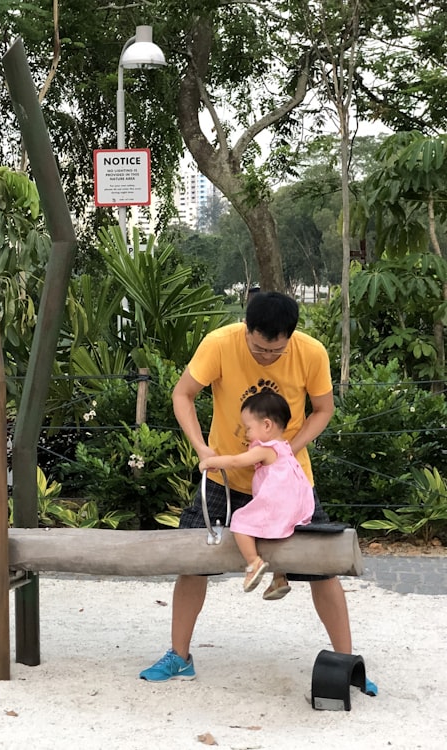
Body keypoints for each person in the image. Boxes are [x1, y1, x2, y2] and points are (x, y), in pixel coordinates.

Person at [138, 291, 377, 696]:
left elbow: (323, 408)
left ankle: (346, 660)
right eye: (259, 348)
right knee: (192, 564)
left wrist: (287, 452)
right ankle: (179, 656)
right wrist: (203, 449)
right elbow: (183, 394)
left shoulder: (311, 352)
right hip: (224, 480)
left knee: (323, 568)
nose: (267, 356)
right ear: (246, 330)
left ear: (290, 338)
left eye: (276, 350)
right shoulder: (219, 343)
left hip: (289, 482)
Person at [198, 389, 314, 598]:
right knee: (277, 537)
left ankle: (253, 563)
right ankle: (279, 577)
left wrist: (210, 461)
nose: (246, 434)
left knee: (240, 522)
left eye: (248, 428)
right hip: (297, 506)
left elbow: (236, 461)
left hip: (277, 504)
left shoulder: (265, 449)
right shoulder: (284, 447)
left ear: (267, 425)